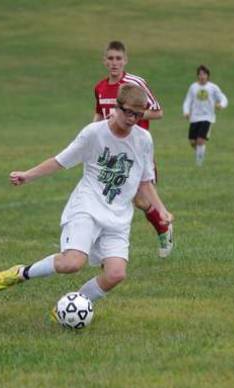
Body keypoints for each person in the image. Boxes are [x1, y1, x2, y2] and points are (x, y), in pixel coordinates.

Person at [0, 85, 173, 315]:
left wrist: (162, 210)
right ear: (117, 107)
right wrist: (27, 175)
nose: (133, 119)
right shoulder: (94, 133)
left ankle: (70, 308)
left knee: (116, 274)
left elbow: (145, 181)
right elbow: (60, 160)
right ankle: (21, 273)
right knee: (72, 263)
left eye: (138, 114)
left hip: (118, 217)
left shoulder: (144, 139)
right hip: (87, 206)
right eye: (128, 112)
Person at [93, 40, 174, 258]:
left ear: (125, 60)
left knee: (140, 201)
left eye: (118, 58)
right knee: (105, 196)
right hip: (110, 154)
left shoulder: (135, 83)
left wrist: (129, 113)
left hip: (136, 151)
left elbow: (158, 112)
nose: (114, 63)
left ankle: (163, 228)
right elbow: (100, 116)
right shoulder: (100, 87)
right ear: (104, 61)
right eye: (110, 58)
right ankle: (101, 247)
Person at [182, 65, 228, 166]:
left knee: (200, 141)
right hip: (194, 117)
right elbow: (188, 100)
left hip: (207, 117)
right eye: (200, 74)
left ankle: (199, 164)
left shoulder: (213, 87)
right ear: (197, 76)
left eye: (204, 74)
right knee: (192, 142)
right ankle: (200, 152)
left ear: (208, 75)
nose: (202, 76)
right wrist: (186, 111)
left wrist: (221, 105)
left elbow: (223, 97)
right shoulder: (193, 87)